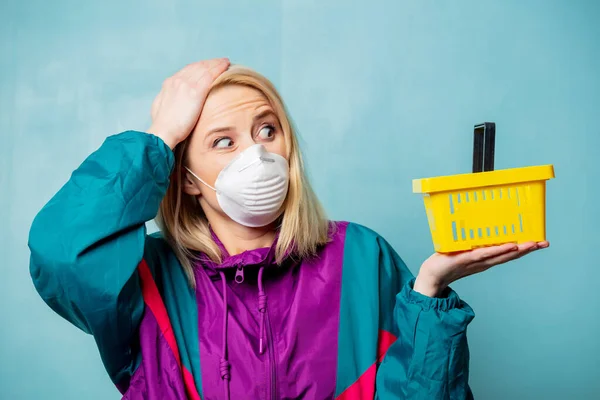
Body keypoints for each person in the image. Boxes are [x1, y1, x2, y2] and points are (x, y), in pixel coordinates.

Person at [28, 58, 548, 400]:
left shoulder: (360, 256)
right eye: (223, 142)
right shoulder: (146, 280)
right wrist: (158, 139)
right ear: (183, 178)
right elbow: (61, 253)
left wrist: (430, 293)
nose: (257, 152)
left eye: (267, 129)